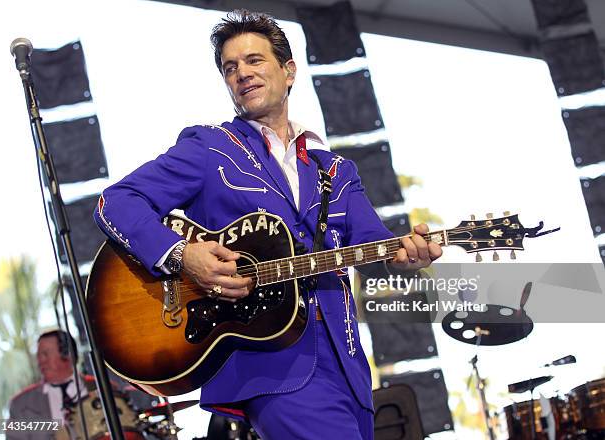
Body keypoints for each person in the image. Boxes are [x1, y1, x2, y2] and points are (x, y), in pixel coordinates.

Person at [93, 9, 442, 439]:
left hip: (348, 365)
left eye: (255, 60)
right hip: (270, 365)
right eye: (230, 67)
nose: (242, 73)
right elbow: (116, 202)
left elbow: (375, 244)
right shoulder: (210, 149)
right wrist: (184, 256)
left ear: (288, 70)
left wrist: (407, 254)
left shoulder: (336, 170)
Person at [7, 330, 85, 440]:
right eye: (38, 355)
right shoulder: (20, 404)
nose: (40, 361)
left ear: (68, 354)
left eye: (45, 354)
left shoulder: (104, 390)